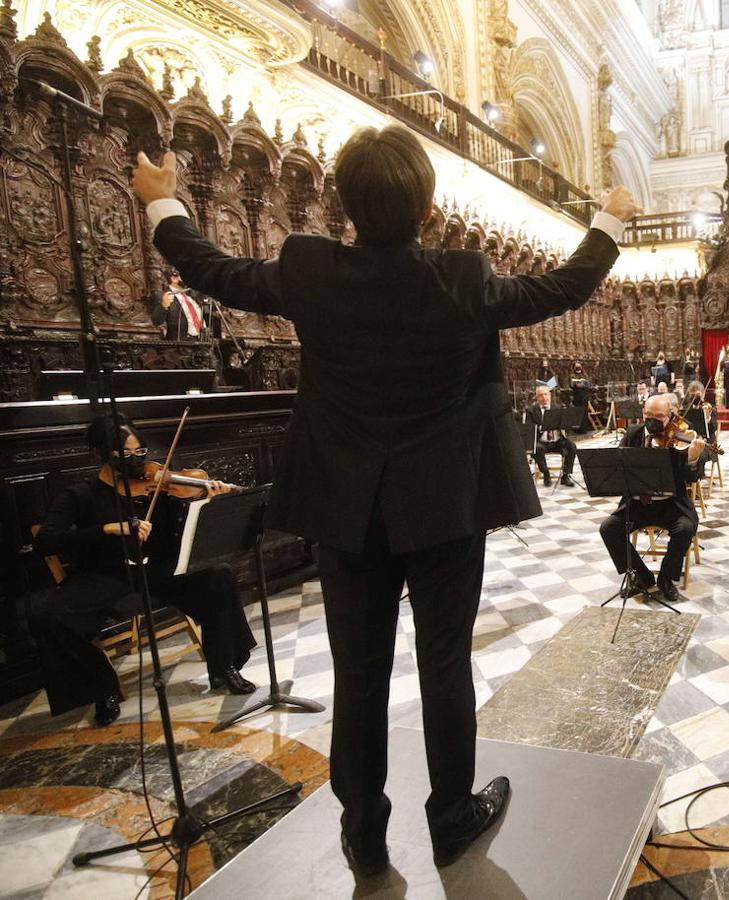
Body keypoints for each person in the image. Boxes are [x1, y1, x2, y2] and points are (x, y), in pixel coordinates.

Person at [131, 127, 638, 875]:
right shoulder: (461, 278)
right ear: (430, 208)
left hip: (346, 506)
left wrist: (162, 201)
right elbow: (561, 287)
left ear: (344, 204)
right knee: (444, 663)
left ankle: (363, 832)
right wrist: (611, 220)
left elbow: (215, 270)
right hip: (445, 506)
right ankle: (451, 816)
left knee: (358, 670)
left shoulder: (310, 268)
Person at [30, 415, 257, 726]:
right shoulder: (79, 495)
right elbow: (45, 541)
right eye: (126, 455)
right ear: (100, 454)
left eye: (142, 453)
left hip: (160, 572)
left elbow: (182, 526)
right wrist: (106, 529)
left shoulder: (159, 485)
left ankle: (224, 666)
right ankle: (103, 688)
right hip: (108, 576)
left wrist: (208, 498)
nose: (138, 462)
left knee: (220, 576)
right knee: (47, 614)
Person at [598, 395, 705, 605]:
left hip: (671, 505)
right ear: (642, 414)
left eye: (659, 416)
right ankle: (642, 576)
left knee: (684, 529)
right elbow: (618, 466)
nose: (652, 420)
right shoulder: (632, 434)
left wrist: (693, 458)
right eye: (648, 415)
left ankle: (666, 579)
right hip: (638, 504)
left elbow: (691, 478)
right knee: (608, 528)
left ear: (670, 416)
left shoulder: (680, 437)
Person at [526, 385, 577, 487]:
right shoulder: (531, 410)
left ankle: (566, 475)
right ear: (537, 397)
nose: (544, 397)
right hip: (542, 441)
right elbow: (529, 429)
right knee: (536, 449)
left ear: (549, 395)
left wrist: (565, 424)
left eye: (545, 394)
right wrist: (541, 427)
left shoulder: (557, 408)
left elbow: (566, 426)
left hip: (557, 440)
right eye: (540, 395)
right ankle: (546, 474)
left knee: (572, 446)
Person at [153, 268, 208, 341]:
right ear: (174, 278)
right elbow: (156, 321)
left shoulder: (193, 295)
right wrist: (164, 306)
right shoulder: (163, 296)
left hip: (202, 342)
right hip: (181, 345)